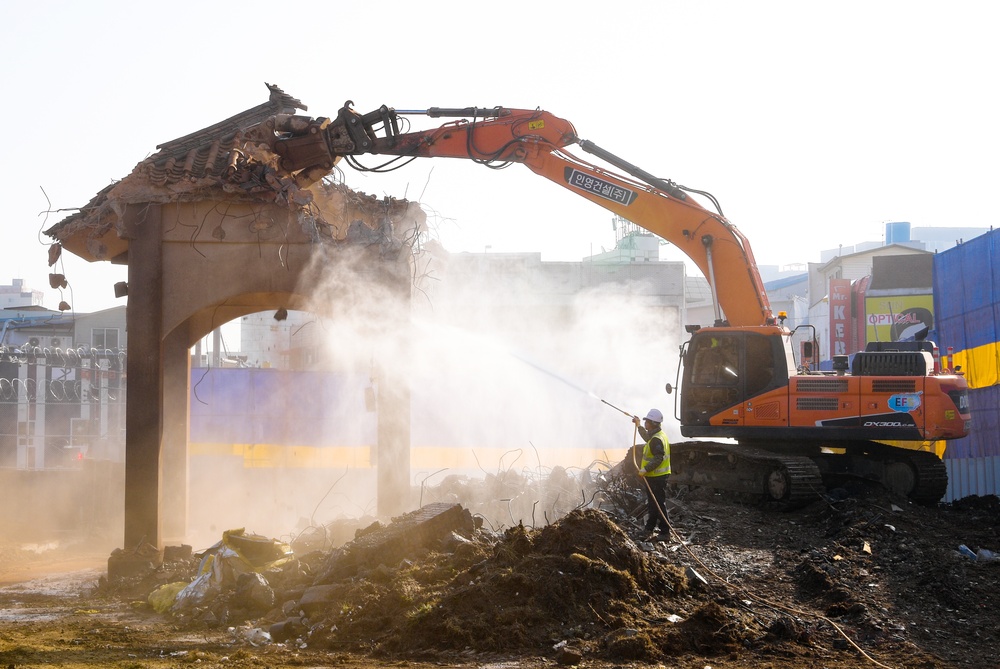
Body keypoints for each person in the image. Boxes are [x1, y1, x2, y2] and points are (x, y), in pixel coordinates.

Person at [631, 408, 671, 537]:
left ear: (653, 423)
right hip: (656, 476)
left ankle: (665, 532)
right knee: (654, 504)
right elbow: (647, 437)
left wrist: (645, 469)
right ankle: (649, 528)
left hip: (657, 477)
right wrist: (638, 426)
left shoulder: (656, 439)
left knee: (658, 505)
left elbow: (658, 458)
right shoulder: (657, 435)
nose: (645, 424)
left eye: (646, 422)